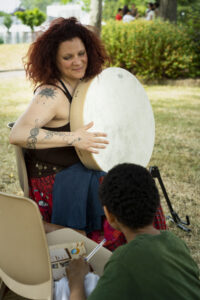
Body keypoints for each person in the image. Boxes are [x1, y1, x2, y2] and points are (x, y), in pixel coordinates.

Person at [9, 17, 166, 249]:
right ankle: (112, 254)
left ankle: (147, 252)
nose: (77, 61)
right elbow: (18, 134)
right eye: (67, 57)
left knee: (137, 182)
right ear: (53, 60)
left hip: (84, 168)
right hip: (56, 178)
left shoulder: (88, 83)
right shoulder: (50, 94)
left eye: (81, 53)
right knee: (119, 192)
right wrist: (74, 138)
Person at [66, 163, 200, 300]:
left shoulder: (123, 259)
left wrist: (76, 280)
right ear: (155, 204)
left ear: (109, 215)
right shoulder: (175, 242)